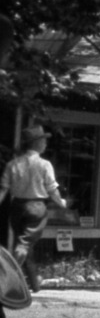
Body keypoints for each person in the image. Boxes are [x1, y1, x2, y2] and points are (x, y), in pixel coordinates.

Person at [0, 125, 65, 293]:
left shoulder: (12, 164)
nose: (45, 143)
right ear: (36, 143)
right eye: (43, 140)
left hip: (16, 208)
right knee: (23, 245)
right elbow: (52, 189)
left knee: (25, 244)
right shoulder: (44, 165)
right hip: (36, 206)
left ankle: (34, 285)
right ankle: (6, 280)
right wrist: (61, 202)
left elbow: (3, 190)